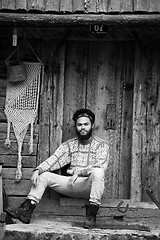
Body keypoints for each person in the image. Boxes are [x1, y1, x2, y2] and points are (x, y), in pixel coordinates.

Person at [5, 108, 109, 228]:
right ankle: (26, 211)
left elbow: (100, 165)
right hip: (71, 184)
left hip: (90, 187)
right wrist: (37, 170)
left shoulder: (102, 145)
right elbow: (54, 160)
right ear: (76, 126)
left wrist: (79, 173)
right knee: (44, 176)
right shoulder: (70, 145)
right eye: (79, 125)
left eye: (86, 124)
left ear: (92, 125)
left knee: (99, 172)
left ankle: (91, 217)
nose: (83, 127)